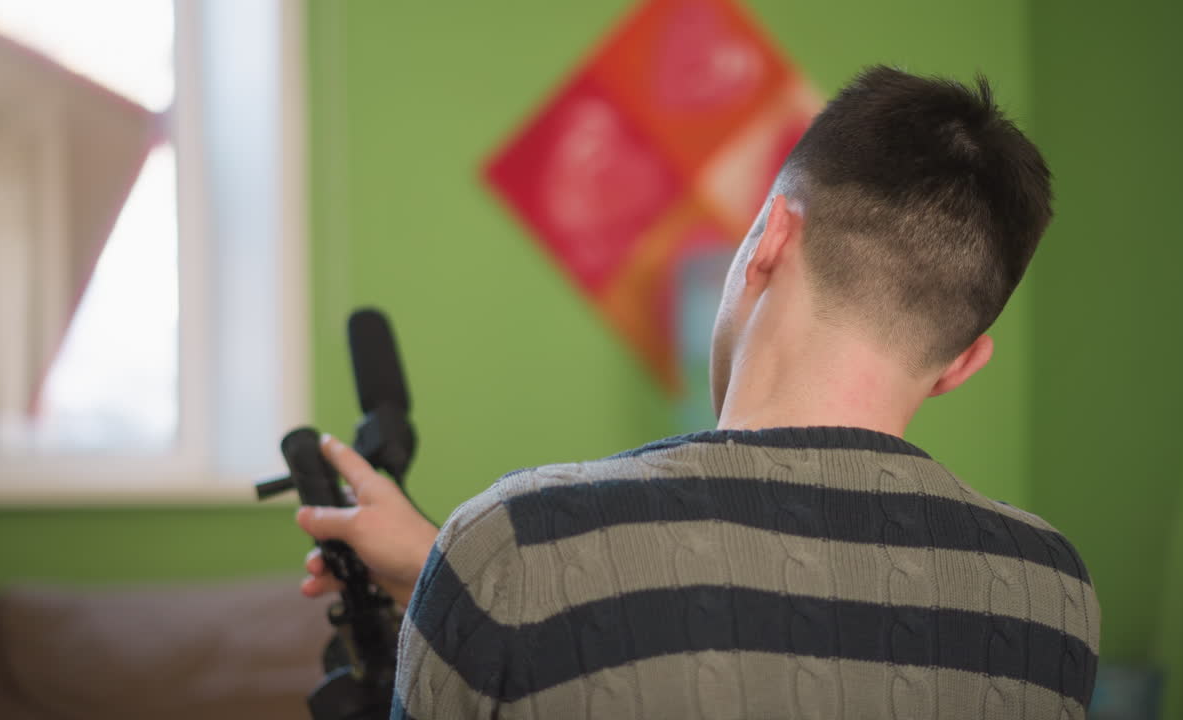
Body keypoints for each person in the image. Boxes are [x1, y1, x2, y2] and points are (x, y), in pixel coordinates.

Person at [296, 66, 1100, 719]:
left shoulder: (511, 550)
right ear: (965, 362)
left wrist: (467, 579)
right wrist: (449, 579)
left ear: (772, 241)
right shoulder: (1054, 595)